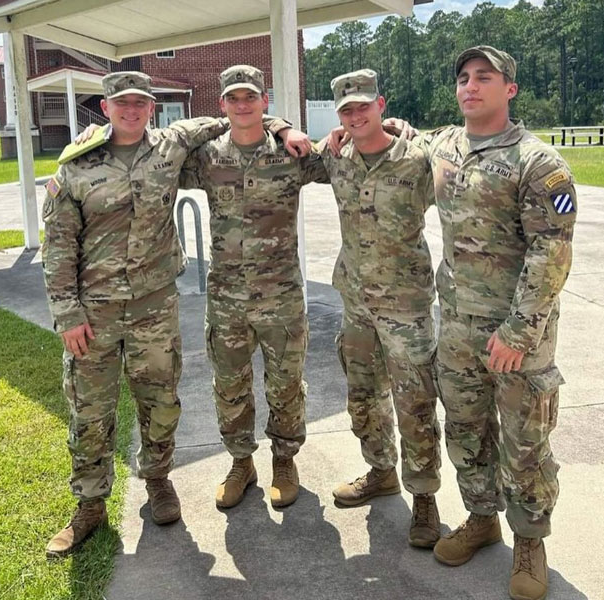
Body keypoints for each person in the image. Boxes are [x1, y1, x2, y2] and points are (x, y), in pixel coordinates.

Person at [42, 71, 306, 558]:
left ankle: (158, 482)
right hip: (93, 313)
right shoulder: (78, 164)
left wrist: (285, 126)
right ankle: (89, 505)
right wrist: (66, 311)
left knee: (160, 402)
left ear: (151, 105)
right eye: (122, 103)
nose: (132, 110)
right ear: (105, 109)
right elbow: (57, 243)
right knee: (89, 411)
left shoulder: (172, 144)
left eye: (141, 102)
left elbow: (241, 117)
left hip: (154, 305)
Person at [416, 46, 576, 600]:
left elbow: (551, 251)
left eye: (484, 77)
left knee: (524, 442)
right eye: (463, 77)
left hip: (514, 337)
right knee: (464, 430)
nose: (470, 86)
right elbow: (391, 130)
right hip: (457, 328)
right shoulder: (444, 145)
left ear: (510, 88)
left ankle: (530, 539)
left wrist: (518, 332)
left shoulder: (538, 162)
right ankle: (482, 518)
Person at [179, 65, 328, 510]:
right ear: (223, 105)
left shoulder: (293, 153)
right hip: (226, 298)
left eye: (250, 97)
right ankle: (241, 462)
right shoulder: (206, 157)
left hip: (280, 295)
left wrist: (285, 130)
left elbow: (345, 154)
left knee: (285, 383)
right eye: (233, 99)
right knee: (230, 384)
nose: (242, 105)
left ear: (265, 99)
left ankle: (284, 459)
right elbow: (160, 148)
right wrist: (275, 123)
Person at [316, 69, 442, 548]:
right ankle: (381, 470)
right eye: (346, 109)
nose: (355, 115)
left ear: (381, 105)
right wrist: (290, 130)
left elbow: (459, 147)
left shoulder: (416, 158)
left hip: (405, 306)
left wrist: (416, 129)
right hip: (356, 303)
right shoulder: (335, 157)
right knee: (363, 396)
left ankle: (425, 497)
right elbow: (279, 145)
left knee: (415, 404)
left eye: (362, 106)